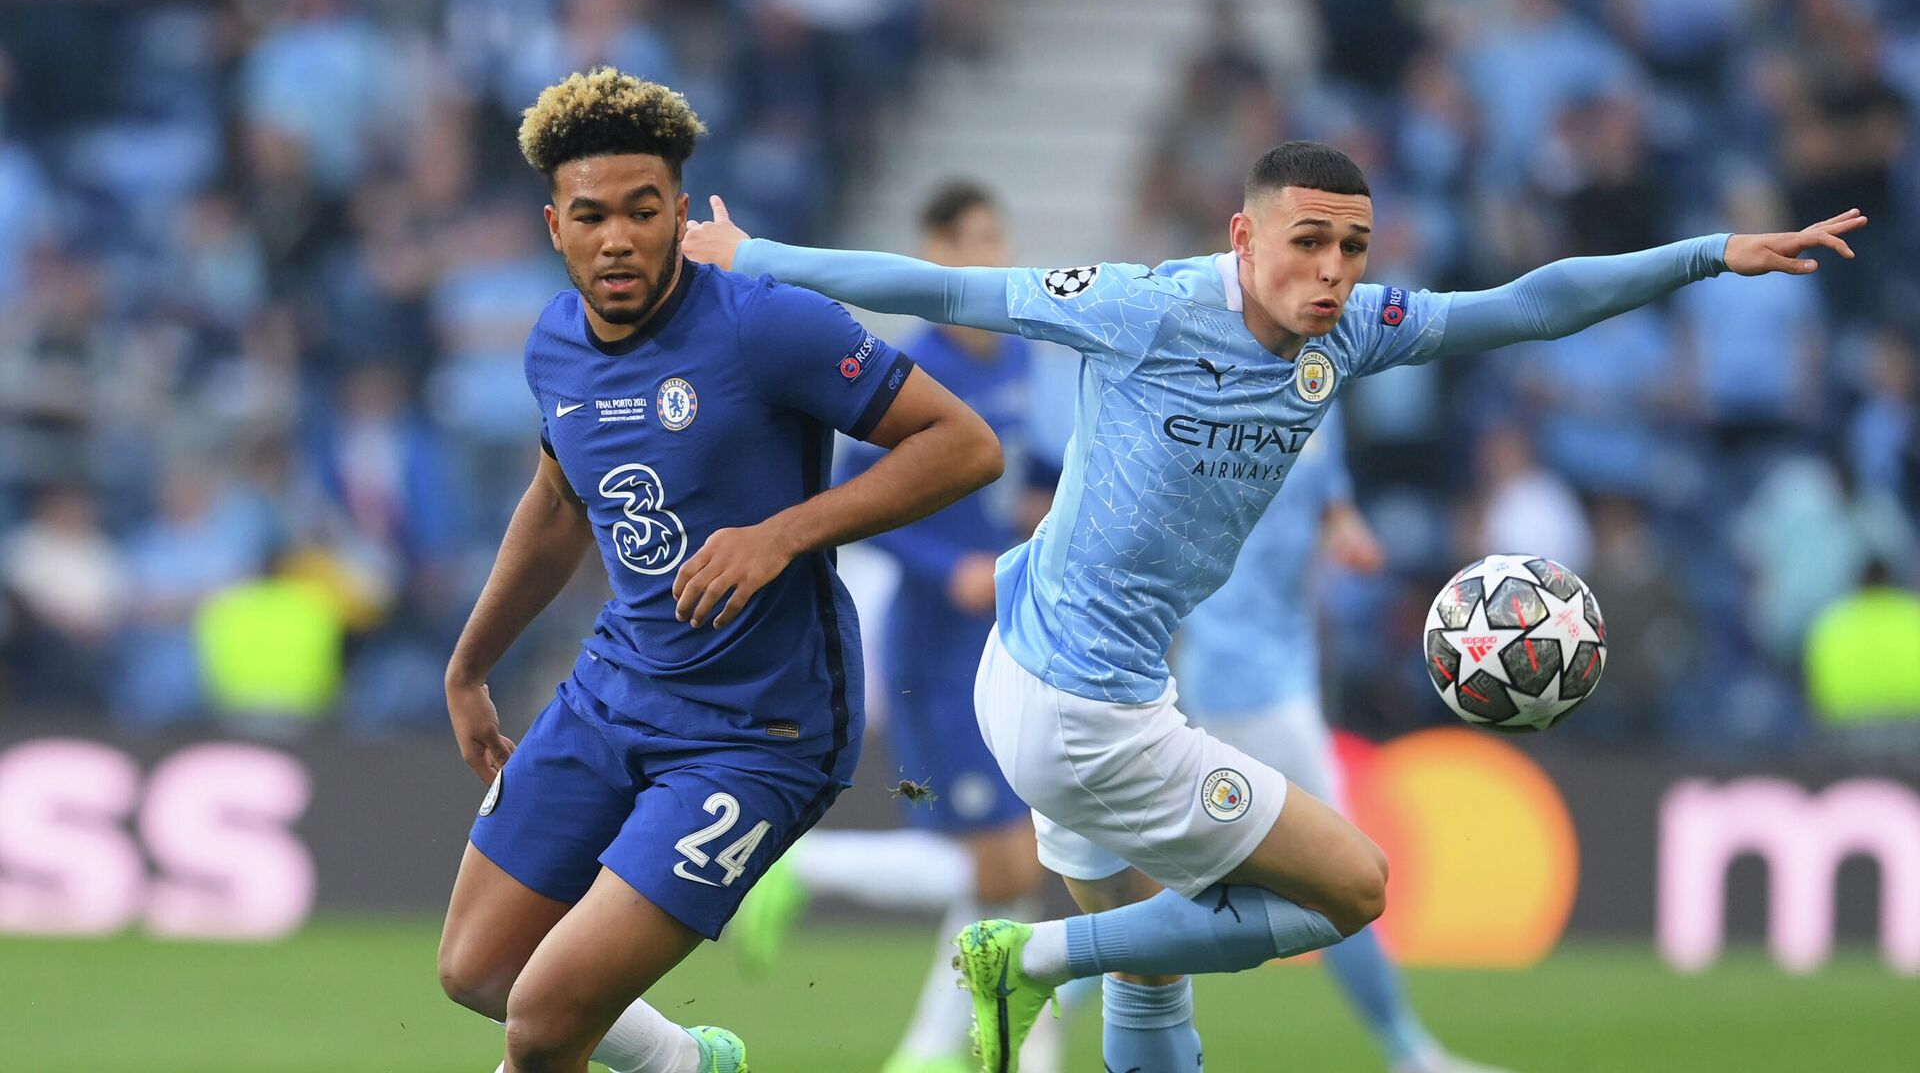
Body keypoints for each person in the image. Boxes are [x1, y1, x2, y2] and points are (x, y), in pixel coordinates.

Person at [684, 139, 1863, 1073]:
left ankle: (1060, 962)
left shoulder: (1349, 334)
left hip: (1066, 678)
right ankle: (1029, 958)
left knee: (1156, 975)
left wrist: (1710, 252)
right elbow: (943, 285)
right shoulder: (1145, 304)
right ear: (1244, 236)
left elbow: (1531, 302)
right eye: (1310, 243)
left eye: (1354, 245)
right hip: (1084, 714)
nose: (1336, 271)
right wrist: (755, 257)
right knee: (1350, 891)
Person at [434, 68, 1003, 1073]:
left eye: (644, 212)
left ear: (681, 212)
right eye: (592, 216)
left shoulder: (763, 323)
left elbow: (962, 447)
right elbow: (559, 505)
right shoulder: (554, 343)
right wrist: (469, 666)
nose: (619, 239)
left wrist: (783, 532)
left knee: (544, 1020)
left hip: (759, 731)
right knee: (481, 973)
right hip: (615, 693)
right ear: (553, 226)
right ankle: (686, 1063)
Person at [729, 181, 1063, 1073]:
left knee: (1018, 862)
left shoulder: (1019, 359)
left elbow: (1045, 460)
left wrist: (1040, 503)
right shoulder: (908, 369)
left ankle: (951, 1050)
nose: (989, 252)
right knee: (1006, 863)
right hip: (932, 639)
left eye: (998, 234)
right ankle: (812, 874)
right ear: (933, 251)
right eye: (971, 238)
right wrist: (941, 566)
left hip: (1006, 634)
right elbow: (856, 498)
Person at [1175, 409, 1511, 1073]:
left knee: (1186, 876)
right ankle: (1409, 1052)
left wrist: (1346, 532)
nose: (1329, 300)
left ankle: (1047, 986)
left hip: (1283, 674)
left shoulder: (1316, 391)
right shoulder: (1216, 391)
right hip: (1241, 679)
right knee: (1343, 880)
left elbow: (1328, 503)